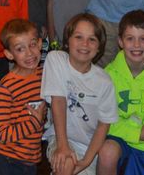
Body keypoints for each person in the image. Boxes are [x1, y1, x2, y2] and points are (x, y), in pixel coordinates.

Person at [98, 10, 144, 175]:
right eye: (130, 38)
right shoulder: (109, 74)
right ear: (120, 41)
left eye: (143, 39)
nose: (137, 45)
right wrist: (137, 134)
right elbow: (104, 121)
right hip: (118, 138)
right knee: (107, 152)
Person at [41, 13, 119, 175]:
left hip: (90, 148)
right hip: (61, 138)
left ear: (99, 47)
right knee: (66, 162)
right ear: (67, 41)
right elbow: (58, 101)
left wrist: (86, 161)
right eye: (78, 37)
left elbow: (103, 125)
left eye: (92, 39)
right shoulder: (56, 59)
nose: (85, 44)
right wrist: (63, 146)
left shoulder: (105, 81)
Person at [0, 19, 46, 174]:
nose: (29, 53)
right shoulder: (7, 86)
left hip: (29, 161)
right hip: (4, 161)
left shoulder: (44, 75)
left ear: (40, 44)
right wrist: (34, 122)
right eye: (20, 49)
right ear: (9, 54)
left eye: (32, 44)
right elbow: (1, 134)